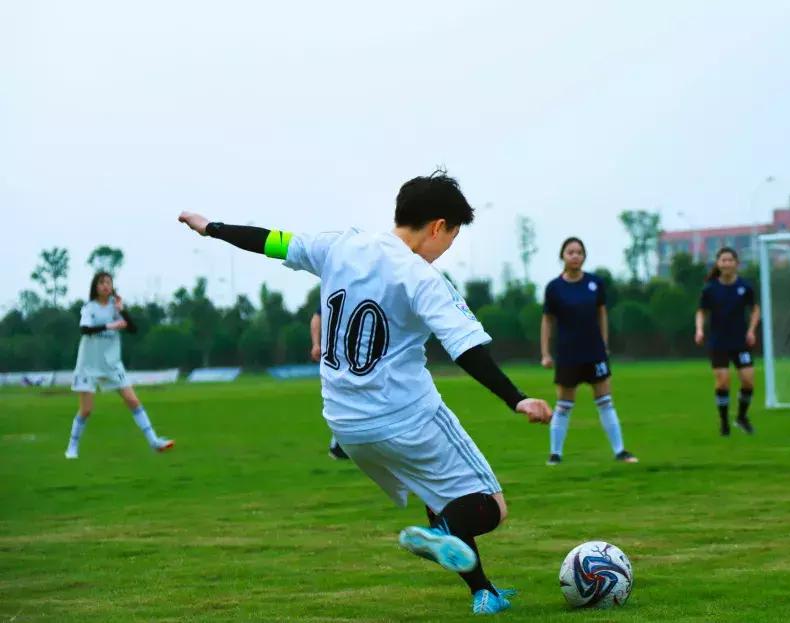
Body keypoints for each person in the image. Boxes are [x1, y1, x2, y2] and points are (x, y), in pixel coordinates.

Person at [179, 170, 552, 615]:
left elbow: (270, 240)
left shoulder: (339, 245)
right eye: (450, 238)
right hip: (406, 416)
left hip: (346, 424)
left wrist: (212, 228)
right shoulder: (420, 276)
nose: (446, 250)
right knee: (489, 507)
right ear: (437, 226)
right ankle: (441, 536)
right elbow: (466, 347)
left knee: (440, 496)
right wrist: (516, 398)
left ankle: (483, 593)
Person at [540, 237, 637, 466]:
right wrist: (545, 352)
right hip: (568, 354)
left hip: (594, 353)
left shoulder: (595, 283)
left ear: (584, 256)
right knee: (563, 405)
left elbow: (602, 314)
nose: (575, 256)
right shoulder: (554, 288)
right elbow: (547, 321)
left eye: (579, 252)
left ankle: (620, 450)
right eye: (570, 252)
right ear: (562, 256)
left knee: (605, 401)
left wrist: (604, 343)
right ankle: (555, 454)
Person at [65, 272, 174, 459]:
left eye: (108, 282)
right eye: (101, 283)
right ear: (95, 287)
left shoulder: (115, 308)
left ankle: (154, 441)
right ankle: (72, 447)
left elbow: (132, 329)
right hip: (89, 364)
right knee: (86, 410)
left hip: (112, 364)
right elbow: (84, 329)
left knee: (133, 400)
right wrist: (110, 326)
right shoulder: (89, 308)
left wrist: (122, 310)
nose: (105, 286)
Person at [694, 248, 760, 435]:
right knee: (723, 382)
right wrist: (699, 329)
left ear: (736, 263)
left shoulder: (745, 287)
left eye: (730, 260)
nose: (727, 263)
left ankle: (741, 417)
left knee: (748, 381)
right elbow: (701, 311)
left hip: (740, 341)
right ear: (718, 263)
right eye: (723, 260)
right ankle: (724, 422)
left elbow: (755, 309)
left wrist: (751, 330)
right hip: (718, 342)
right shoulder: (710, 289)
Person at [310, 310, 349, 460]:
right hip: (341, 356)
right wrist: (315, 344)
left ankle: (338, 445)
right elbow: (317, 316)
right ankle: (338, 446)